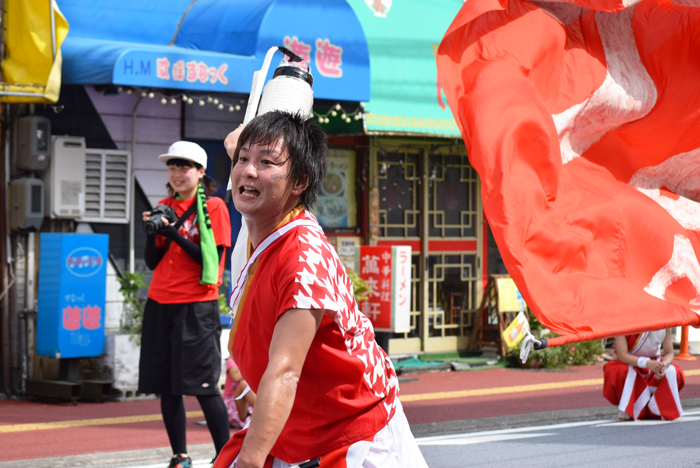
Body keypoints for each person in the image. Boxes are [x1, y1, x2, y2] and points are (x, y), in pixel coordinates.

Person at [214, 111, 427, 468]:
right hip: (297, 424)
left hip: (351, 433)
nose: (249, 171)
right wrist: (248, 151)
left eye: (266, 162)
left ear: (300, 181)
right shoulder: (266, 230)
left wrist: (250, 461)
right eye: (243, 159)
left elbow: (285, 371)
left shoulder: (302, 260)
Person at [139, 141, 232, 468]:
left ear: (200, 172)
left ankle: (225, 457)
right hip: (160, 303)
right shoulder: (164, 205)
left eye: (185, 167)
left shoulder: (214, 208)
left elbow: (209, 257)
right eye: (173, 167)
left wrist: (174, 232)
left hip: (197, 306)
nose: (178, 173)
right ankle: (180, 455)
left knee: (204, 387)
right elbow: (152, 262)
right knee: (167, 386)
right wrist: (153, 232)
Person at [603, 328, 685, 421]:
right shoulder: (624, 322)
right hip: (632, 363)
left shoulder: (665, 323)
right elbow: (622, 355)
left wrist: (663, 365)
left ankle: (656, 410)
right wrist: (646, 363)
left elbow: (669, 353)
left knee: (674, 371)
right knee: (618, 371)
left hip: (654, 364)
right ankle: (630, 409)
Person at [224, 357, 255, 429]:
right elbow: (236, 377)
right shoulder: (233, 359)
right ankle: (268, 410)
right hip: (233, 407)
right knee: (244, 385)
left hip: (250, 407)